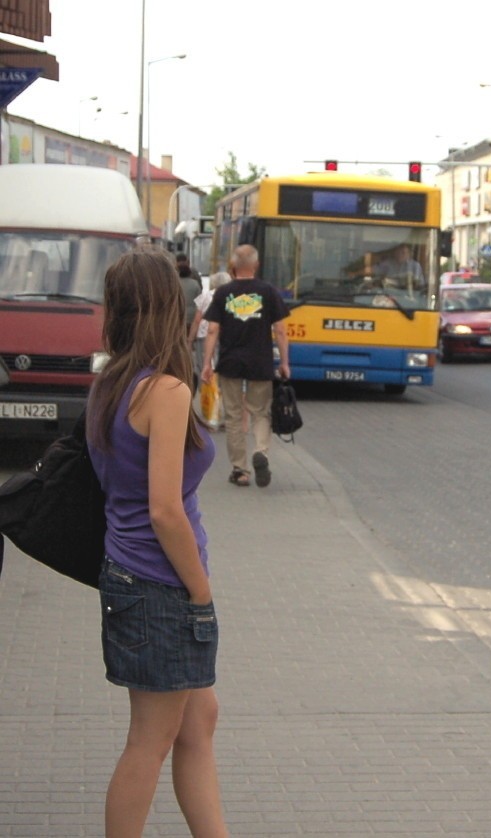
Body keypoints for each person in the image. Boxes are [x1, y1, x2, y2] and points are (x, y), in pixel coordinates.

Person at [86, 248, 227, 838]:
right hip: (162, 584)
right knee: (150, 741)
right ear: (165, 308)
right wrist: (199, 590)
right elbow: (166, 510)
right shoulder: (165, 391)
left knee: (197, 723)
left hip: (130, 574)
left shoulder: (110, 382)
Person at [201, 244, 290, 488]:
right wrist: (284, 362)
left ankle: (240, 470)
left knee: (232, 415)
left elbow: (212, 329)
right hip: (260, 361)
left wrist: (207, 363)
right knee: (260, 412)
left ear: (233, 267)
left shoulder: (222, 293)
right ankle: (261, 451)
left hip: (230, 362)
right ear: (256, 265)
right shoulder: (269, 292)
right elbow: (281, 330)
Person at [187, 271, 231, 385]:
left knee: (203, 366)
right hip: (224, 336)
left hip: (204, 335)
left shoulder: (206, 296)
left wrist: (190, 339)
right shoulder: (232, 297)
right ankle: (219, 390)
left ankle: (207, 393)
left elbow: (197, 319)